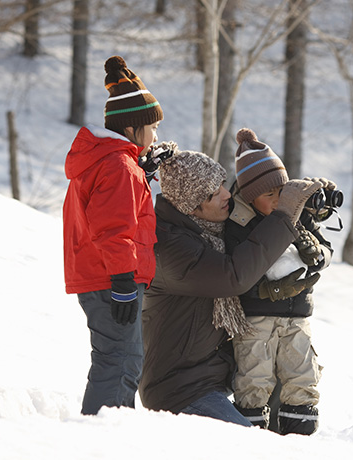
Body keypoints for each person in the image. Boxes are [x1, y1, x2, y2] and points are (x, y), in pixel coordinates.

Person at [138, 149, 322, 425]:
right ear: (192, 205)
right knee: (248, 447)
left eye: (224, 184)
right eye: (215, 193)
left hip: (219, 377)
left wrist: (298, 203)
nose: (227, 195)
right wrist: (283, 215)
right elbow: (233, 276)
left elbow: (254, 219)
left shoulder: (209, 231)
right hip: (181, 389)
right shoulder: (170, 248)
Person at [62, 55, 172, 415]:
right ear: (132, 128)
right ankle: (101, 437)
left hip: (101, 276)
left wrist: (141, 170)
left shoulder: (113, 161)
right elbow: (113, 228)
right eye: (152, 127)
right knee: (120, 362)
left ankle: (104, 431)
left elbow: (112, 212)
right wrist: (124, 280)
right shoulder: (118, 166)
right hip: (112, 279)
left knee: (119, 359)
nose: (156, 135)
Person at [223, 128, 332, 435]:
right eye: (267, 195)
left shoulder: (296, 212)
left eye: (281, 191)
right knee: (253, 379)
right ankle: (250, 438)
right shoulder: (238, 223)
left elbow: (326, 249)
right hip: (255, 317)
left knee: (302, 377)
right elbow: (240, 268)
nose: (277, 200)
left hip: (297, 315)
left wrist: (317, 254)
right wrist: (268, 289)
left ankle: (300, 438)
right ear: (248, 196)